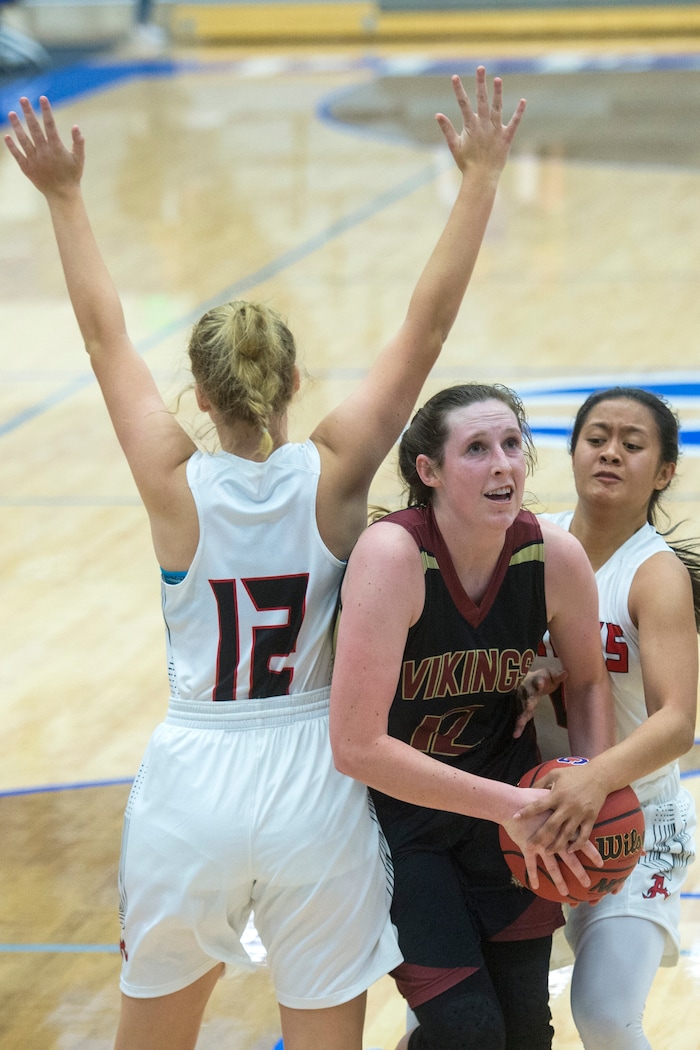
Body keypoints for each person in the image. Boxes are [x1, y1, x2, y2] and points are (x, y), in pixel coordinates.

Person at [4, 70, 526, 1050]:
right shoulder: (333, 473)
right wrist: (479, 181)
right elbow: (426, 328)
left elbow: (101, 334)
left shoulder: (174, 483)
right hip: (315, 782)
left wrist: (66, 200)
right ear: (295, 380)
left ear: (200, 397)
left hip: (194, 776)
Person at [329, 381, 616, 1050]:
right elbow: (355, 745)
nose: (503, 464)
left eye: (513, 445)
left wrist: (591, 784)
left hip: (509, 825)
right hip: (404, 826)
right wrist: (513, 805)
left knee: (525, 1035)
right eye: (477, 449)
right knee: (469, 1034)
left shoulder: (553, 555)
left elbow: (591, 682)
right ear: (427, 472)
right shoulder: (394, 556)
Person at [531, 387, 698, 1050]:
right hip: (529, 818)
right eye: (596, 437)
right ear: (571, 452)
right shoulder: (529, 544)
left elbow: (677, 722)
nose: (610, 453)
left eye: (632, 445)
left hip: (635, 822)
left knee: (603, 1015)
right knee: (453, 1015)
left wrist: (595, 779)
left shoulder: (654, 575)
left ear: (662, 474)